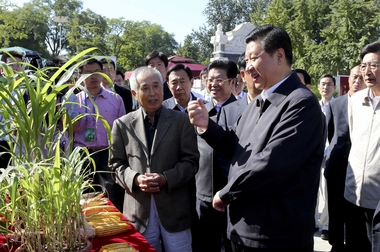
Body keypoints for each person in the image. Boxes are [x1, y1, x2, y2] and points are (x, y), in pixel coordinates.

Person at [188, 24, 326, 251]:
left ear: (279, 55)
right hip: (243, 229)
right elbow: (236, 142)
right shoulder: (259, 101)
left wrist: (226, 193)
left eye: (254, 58)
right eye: (247, 60)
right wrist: (206, 126)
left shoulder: (301, 103)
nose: (248, 66)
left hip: (275, 236)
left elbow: (272, 163)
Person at [110, 66, 199, 252]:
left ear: (163, 87)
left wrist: (167, 178)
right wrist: (135, 179)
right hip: (138, 210)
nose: (153, 93)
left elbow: (191, 161)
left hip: (175, 209)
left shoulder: (181, 121)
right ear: (135, 93)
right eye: (145, 88)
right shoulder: (122, 125)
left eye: (156, 86)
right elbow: (116, 165)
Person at [195, 59, 237, 252]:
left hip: (231, 195)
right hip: (203, 193)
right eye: (209, 79)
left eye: (219, 79)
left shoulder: (244, 111)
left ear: (233, 81)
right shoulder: (199, 110)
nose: (213, 84)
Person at [74, 57, 126, 211]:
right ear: (80, 76)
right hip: (82, 156)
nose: (94, 77)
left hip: (107, 155)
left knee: (110, 198)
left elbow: (122, 132)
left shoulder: (116, 99)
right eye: (88, 73)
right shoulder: (73, 101)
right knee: (84, 200)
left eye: (98, 72)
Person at [324, 66, 366, 252]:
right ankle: (336, 243)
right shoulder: (336, 104)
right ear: (348, 81)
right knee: (334, 206)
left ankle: (354, 242)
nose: (357, 81)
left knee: (354, 208)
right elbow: (331, 132)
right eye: (354, 77)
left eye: (361, 78)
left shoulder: (368, 105)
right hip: (337, 164)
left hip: (359, 166)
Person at [345, 41, 380, 252]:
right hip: (353, 195)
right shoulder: (356, 101)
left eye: (374, 65)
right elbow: (353, 139)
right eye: (364, 66)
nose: (367, 71)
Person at [317, 73, 337, 240]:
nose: (326, 87)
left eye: (329, 84)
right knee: (313, 190)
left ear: (335, 88)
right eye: (323, 84)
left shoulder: (339, 107)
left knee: (327, 191)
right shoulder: (313, 107)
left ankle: (326, 224)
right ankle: (311, 222)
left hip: (330, 155)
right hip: (313, 155)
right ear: (318, 87)